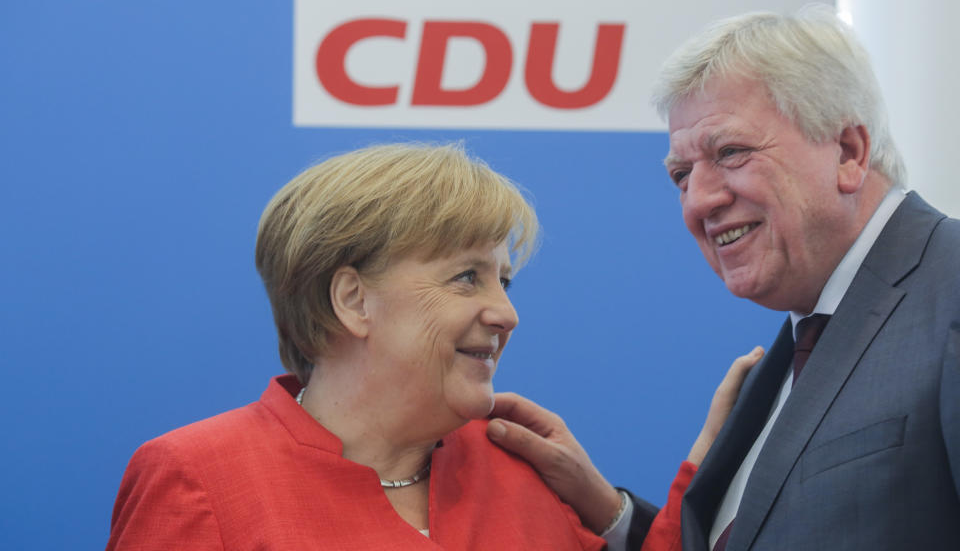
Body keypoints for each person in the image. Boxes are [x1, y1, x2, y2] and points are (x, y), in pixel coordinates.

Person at [106, 142, 758, 550]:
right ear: (353, 300)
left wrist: (701, 472)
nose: (506, 314)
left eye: (504, 279)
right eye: (466, 277)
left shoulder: (520, 471)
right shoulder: (198, 478)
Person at [487, 6, 960, 550]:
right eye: (682, 176)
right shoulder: (784, 361)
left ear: (848, 153)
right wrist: (607, 511)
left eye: (731, 153)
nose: (700, 201)